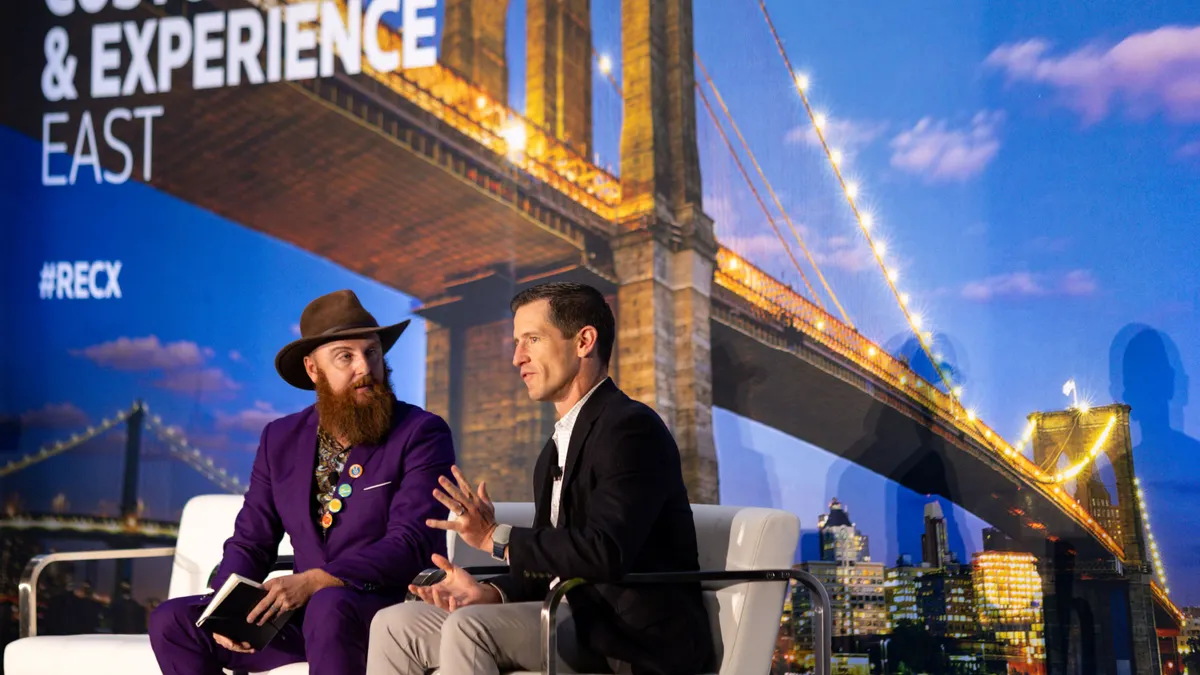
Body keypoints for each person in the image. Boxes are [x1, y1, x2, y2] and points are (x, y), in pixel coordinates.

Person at [366, 282, 713, 675]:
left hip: (625, 637)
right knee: (394, 625)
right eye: (517, 342)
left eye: (532, 339)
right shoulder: (553, 449)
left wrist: (495, 537)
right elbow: (553, 563)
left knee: (470, 629)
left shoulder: (631, 428)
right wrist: (491, 592)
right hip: (563, 616)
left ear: (584, 341)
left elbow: (605, 552)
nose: (517, 358)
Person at [149, 289, 456, 675]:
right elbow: (252, 538)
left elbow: (411, 543)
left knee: (329, 605)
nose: (365, 367)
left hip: (382, 608)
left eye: (372, 352)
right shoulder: (280, 438)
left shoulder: (421, 432)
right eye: (346, 356)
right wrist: (223, 609)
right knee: (174, 621)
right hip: (305, 615)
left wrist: (317, 581)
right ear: (313, 370)